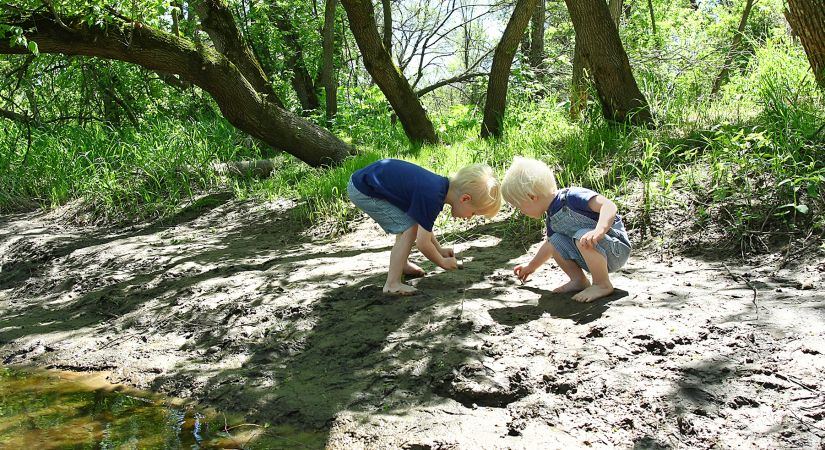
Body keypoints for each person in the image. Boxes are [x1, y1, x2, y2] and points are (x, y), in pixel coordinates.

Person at [348, 158, 502, 296]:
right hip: (364, 190)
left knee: (411, 224)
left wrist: (440, 250)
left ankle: (402, 264)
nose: (469, 217)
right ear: (465, 199)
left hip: (368, 183)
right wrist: (442, 262)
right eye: (473, 213)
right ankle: (392, 283)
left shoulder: (438, 189)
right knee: (409, 229)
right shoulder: (432, 196)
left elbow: (424, 224)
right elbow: (422, 243)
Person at [501, 156, 631, 302]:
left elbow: (608, 206)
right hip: (593, 254)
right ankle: (579, 281)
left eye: (520, 206)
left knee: (581, 235)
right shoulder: (552, 218)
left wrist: (599, 230)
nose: (521, 211)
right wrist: (530, 267)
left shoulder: (572, 197)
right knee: (555, 240)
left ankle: (602, 284)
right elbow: (549, 246)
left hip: (615, 248)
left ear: (532, 197)